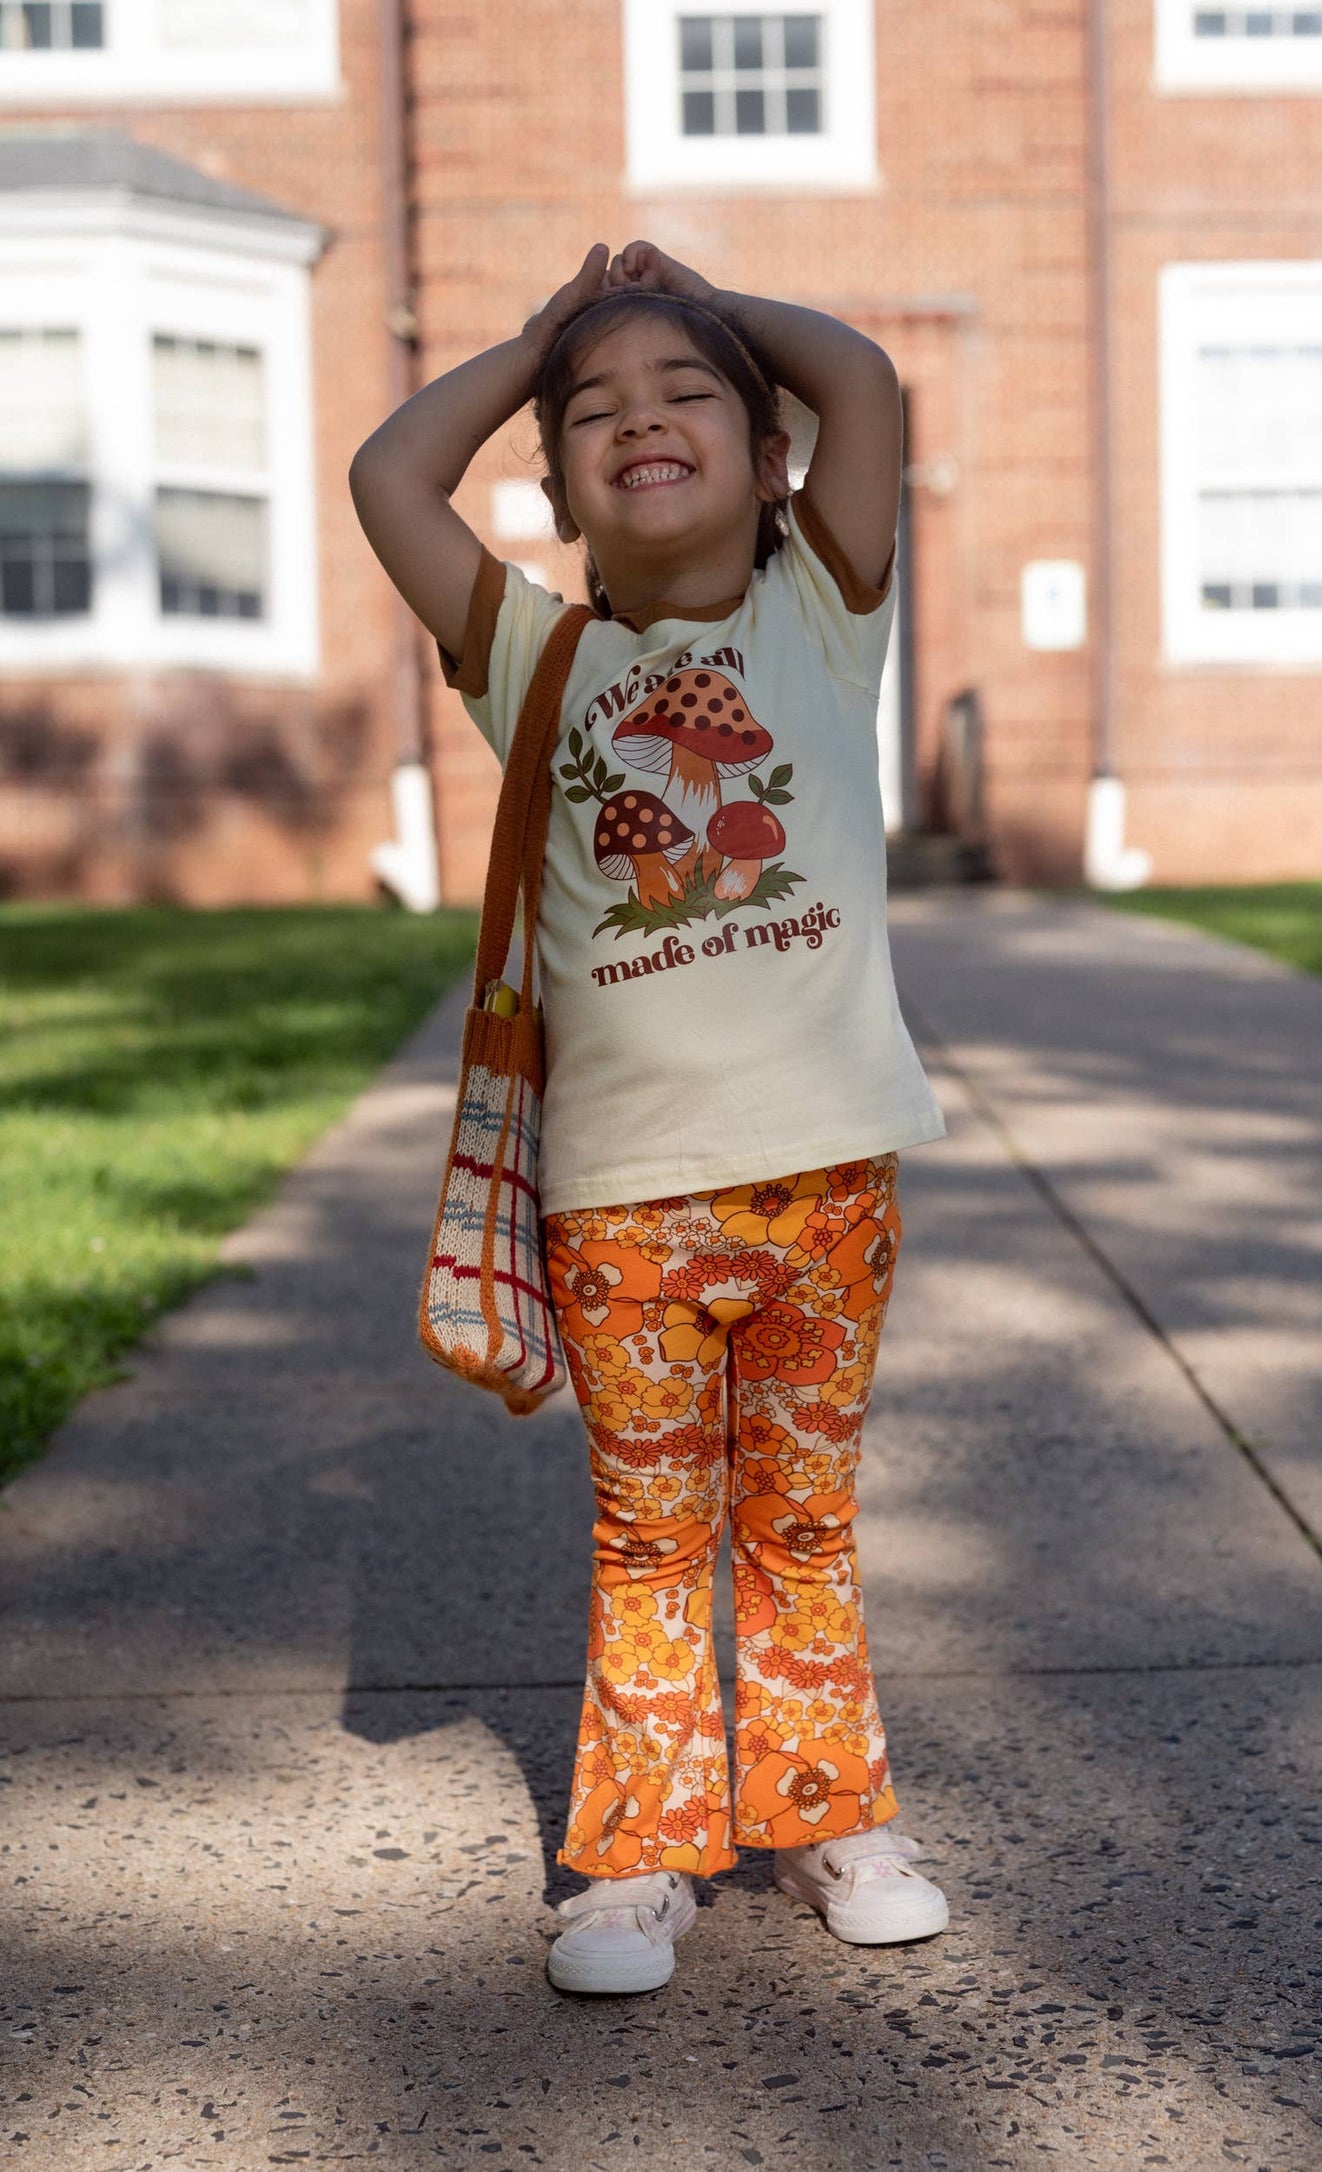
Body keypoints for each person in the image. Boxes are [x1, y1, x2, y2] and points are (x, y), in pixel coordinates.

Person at [350, 241, 950, 1996]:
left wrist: (714, 307)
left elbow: (861, 377)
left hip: (829, 1177)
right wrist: (548, 334)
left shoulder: (820, 616)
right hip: (619, 1203)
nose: (641, 418)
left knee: (802, 1519)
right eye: (593, 414)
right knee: (646, 1528)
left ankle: (831, 1806)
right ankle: (638, 1852)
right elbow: (392, 474)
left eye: (688, 396)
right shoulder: (527, 659)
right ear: (553, 490)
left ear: (767, 466)